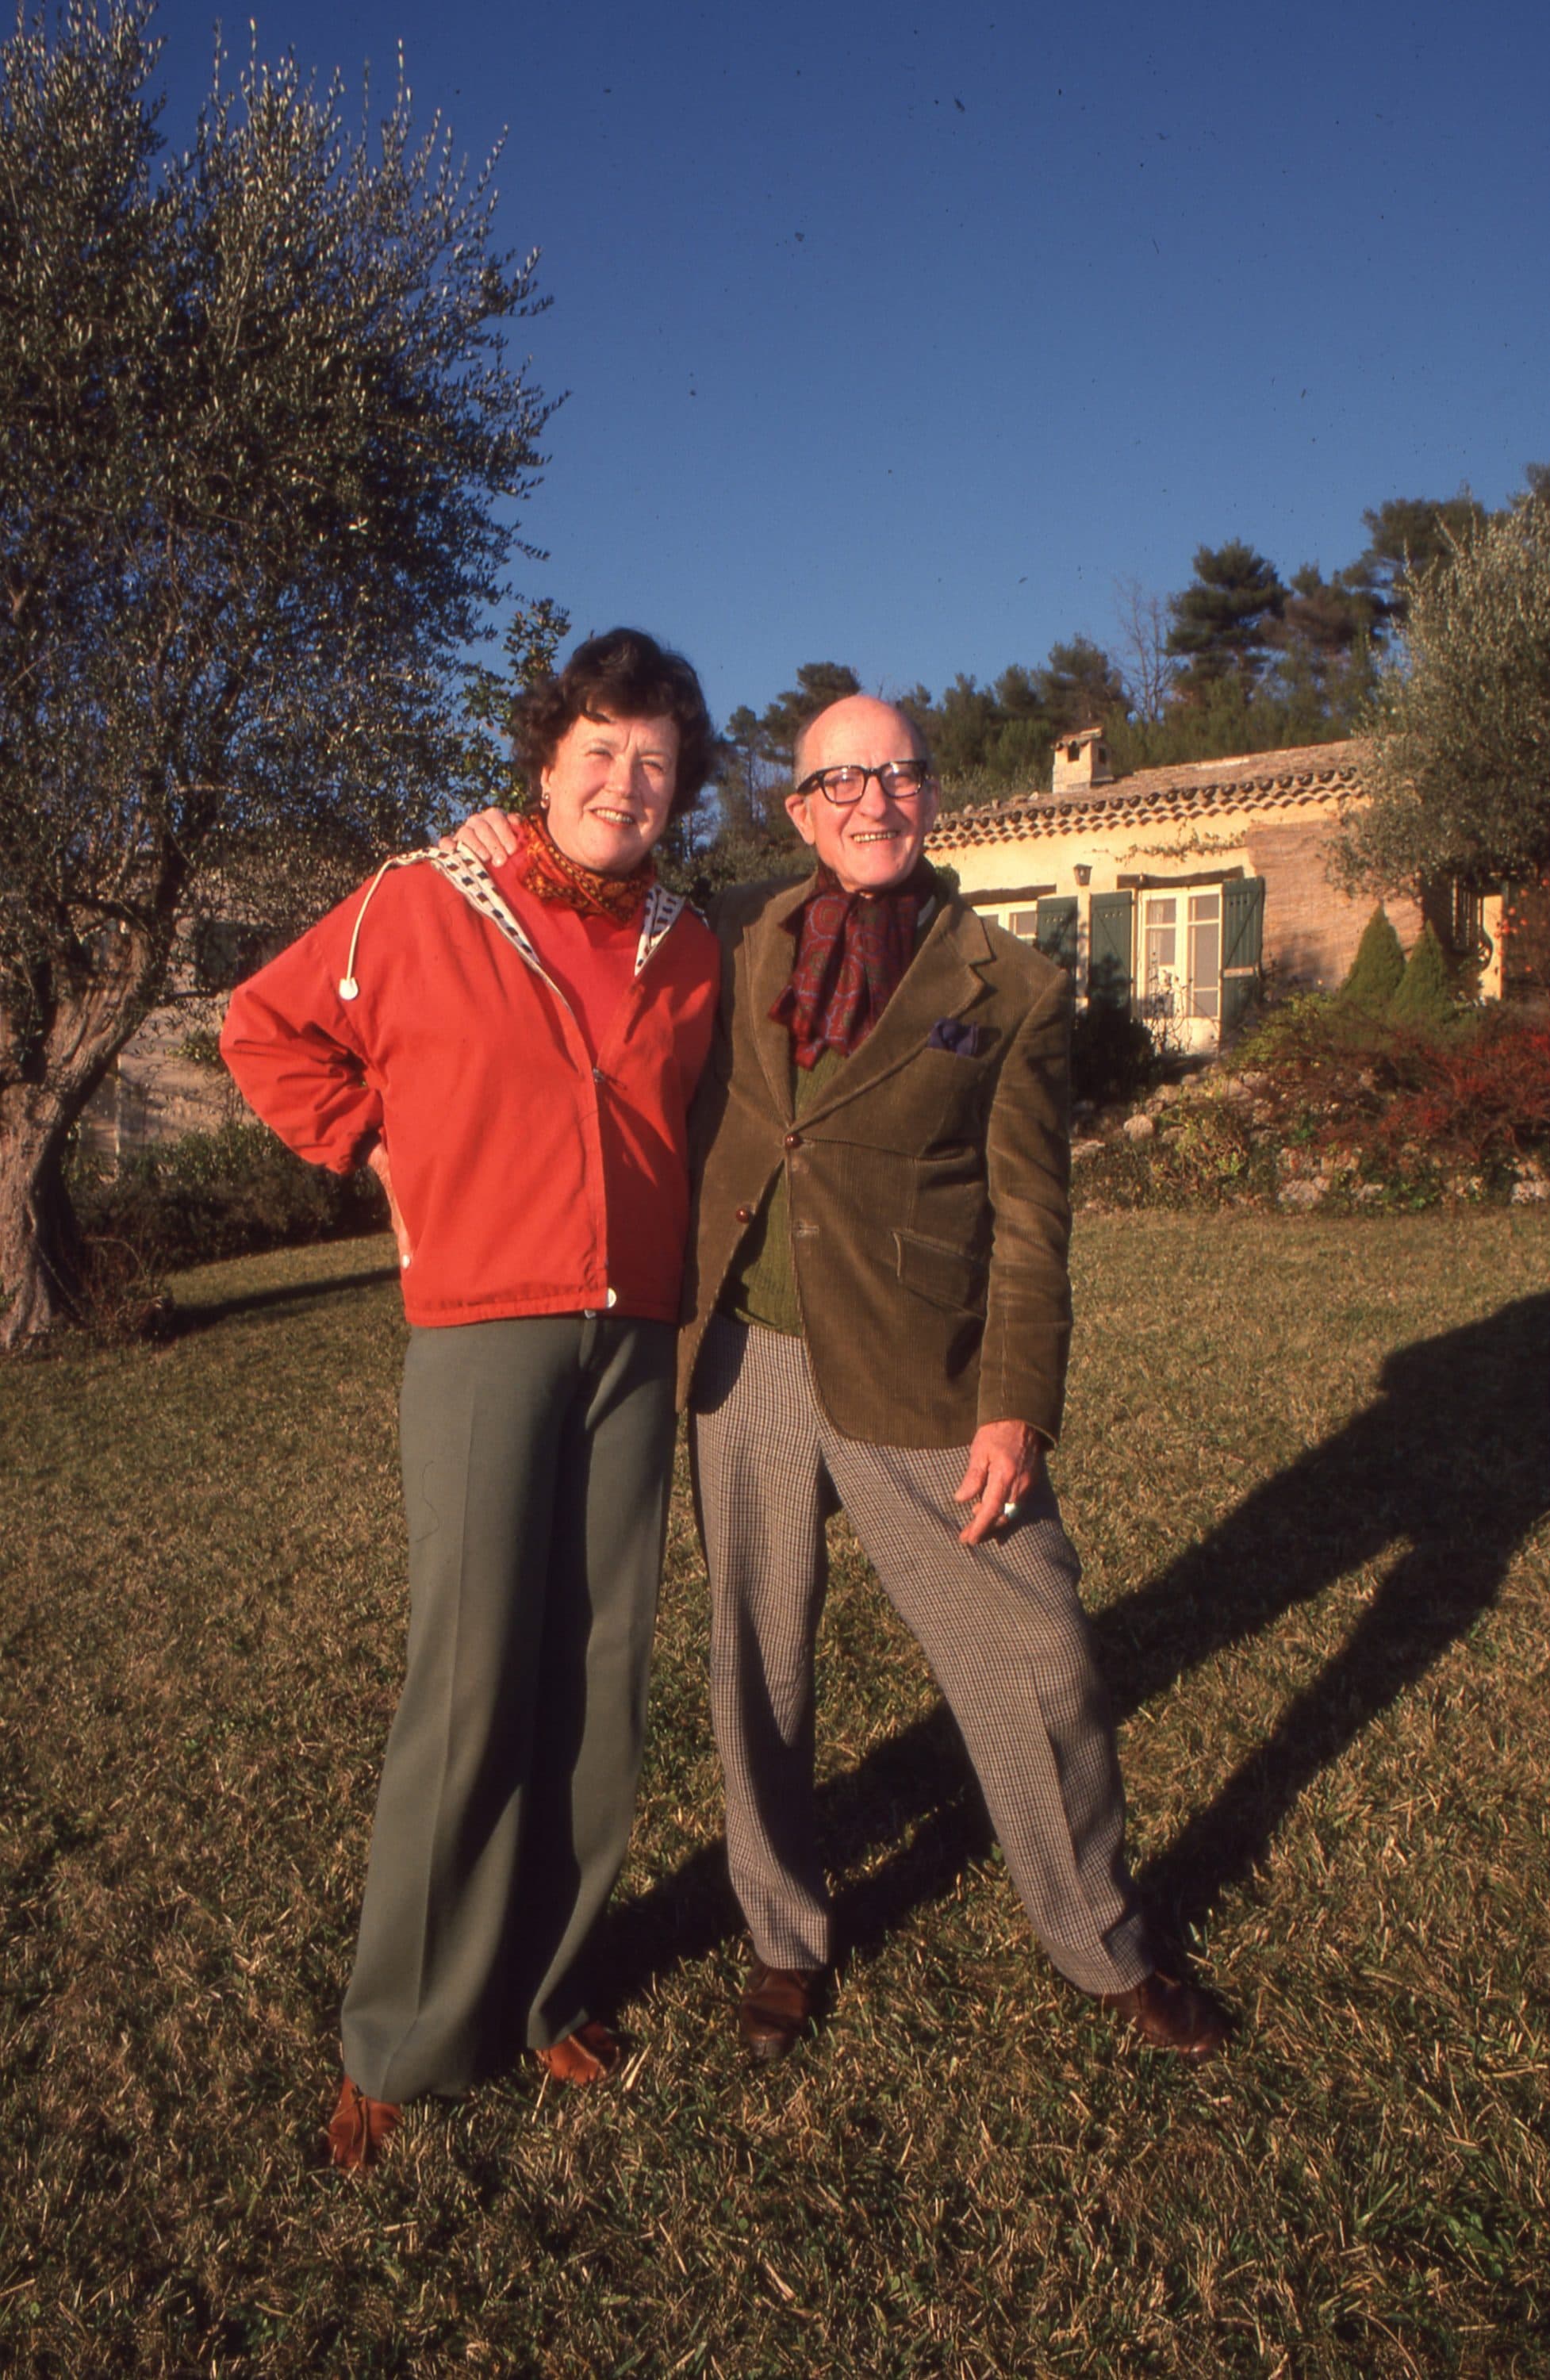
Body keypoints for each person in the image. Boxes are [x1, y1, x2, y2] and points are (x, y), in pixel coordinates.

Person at [458, 691, 1229, 2067]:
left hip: (921, 1362)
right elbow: (574, 884)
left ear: (931, 798)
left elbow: (1033, 1222)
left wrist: (1016, 1402)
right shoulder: (727, 927)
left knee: (1034, 1648)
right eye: (841, 782)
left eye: (900, 776)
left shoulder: (1015, 986)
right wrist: (487, 849)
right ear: (798, 809)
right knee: (757, 1660)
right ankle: (780, 1936)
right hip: (740, 1353)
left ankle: (1099, 1941)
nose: (874, 801)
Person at [221, 628, 722, 2169]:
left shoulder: (689, 945)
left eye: (654, 763)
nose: (624, 784)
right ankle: (400, 2035)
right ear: (545, 755)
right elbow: (261, 1027)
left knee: (596, 1672)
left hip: (633, 1338)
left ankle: (543, 1992)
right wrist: (372, 1144)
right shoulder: (422, 898)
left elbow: (701, 1114)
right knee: (468, 1683)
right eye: (599, 750)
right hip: (480, 1333)